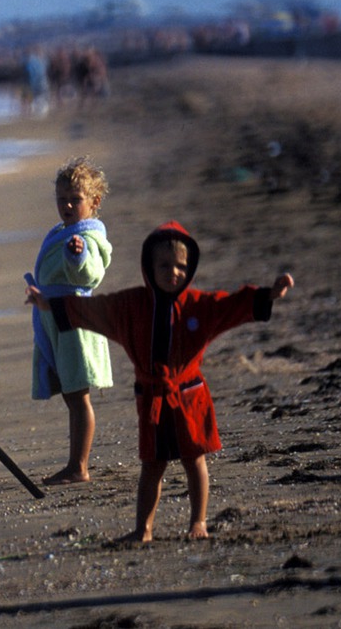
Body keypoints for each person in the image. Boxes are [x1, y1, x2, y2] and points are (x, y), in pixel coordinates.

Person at [26, 221, 295, 542]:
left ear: (190, 268)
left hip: (190, 396)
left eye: (181, 266)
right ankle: (143, 529)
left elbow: (232, 305)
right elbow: (92, 309)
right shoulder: (131, 306)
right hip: (151, 398)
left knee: (194, 461)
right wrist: (49, 304)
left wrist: (269, 295)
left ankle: (198, 522)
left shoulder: (199, 306)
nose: (173, 273)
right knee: (152, 466)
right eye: (164, 265)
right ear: (148, 268)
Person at [28, 157, 113, 486]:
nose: (66, 205)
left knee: (78, 396)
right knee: (69, 394)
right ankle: (76, 462)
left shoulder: (87, 239)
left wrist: (77, 255)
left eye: (75, 199)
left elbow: (90, 273)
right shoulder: (62, 232)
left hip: (76, 324)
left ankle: (79, 466)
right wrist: (40, 296)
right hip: (56, 317)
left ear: (94, 202)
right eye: (61, 199)